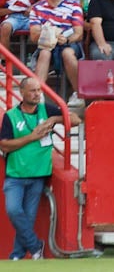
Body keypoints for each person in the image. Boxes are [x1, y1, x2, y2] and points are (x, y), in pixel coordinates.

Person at [0, 77, 59, 260]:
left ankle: (17, 255)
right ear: (22, 92)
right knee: (14, 210)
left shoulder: (46, 109)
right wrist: (31, 137)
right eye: (33, 91)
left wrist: (56, 118)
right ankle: (35, 246)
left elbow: (75, 118)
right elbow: (4, 146)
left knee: (28, 217)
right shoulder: (11, 115)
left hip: (38, 174)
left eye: (39, 90)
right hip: (15, 174)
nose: (37, 94)